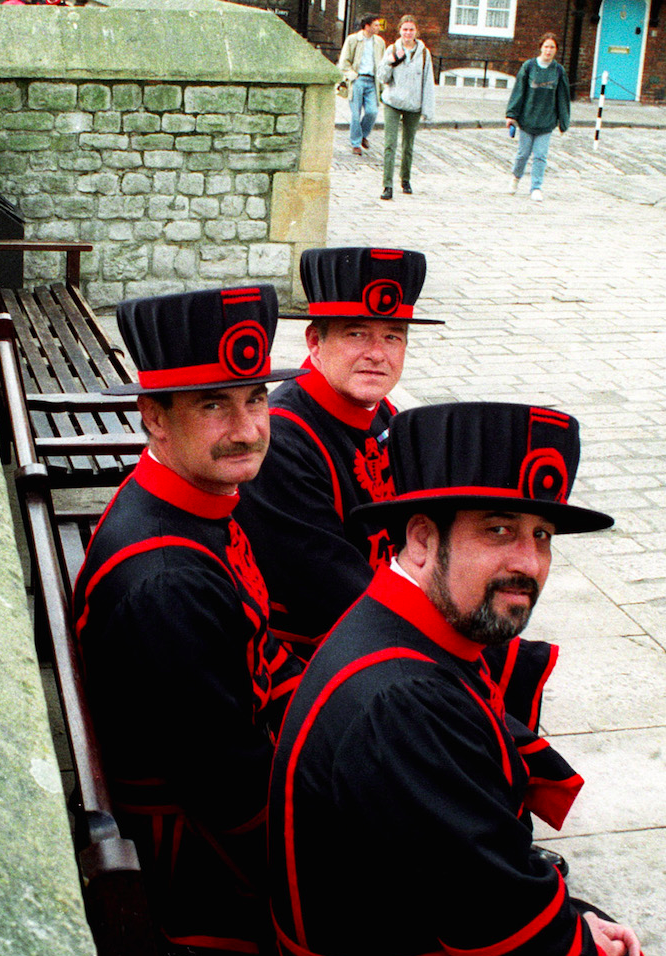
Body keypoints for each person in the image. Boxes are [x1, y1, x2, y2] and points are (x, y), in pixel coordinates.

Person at [268, 402, 643, 956]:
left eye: (542, 535)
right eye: (499, 530)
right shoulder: (403, 701)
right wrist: (582, 940)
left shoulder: (401, 626)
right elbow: (497, 925)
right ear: (420, 539)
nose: (529, 563)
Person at [73, 285, 305, 954]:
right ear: (154, 415)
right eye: (213, 405)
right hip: (202, 875)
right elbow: (233, 797)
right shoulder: (166, 584)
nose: (246, 428)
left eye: (255, 398)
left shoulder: (190, 503)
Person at [236, 246, 435, 656]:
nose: (377, 354)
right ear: (315, 342)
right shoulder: (284, 439)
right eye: (356, 333)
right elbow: (331, 591)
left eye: (392, 336)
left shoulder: (382, 413)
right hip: (325, 652)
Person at [507, 32, 571, 202]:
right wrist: (511, 115)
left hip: (546, 121)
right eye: (546, 46)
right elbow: (519, 91)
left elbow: (562, 98)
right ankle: (515, 178)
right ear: (541, 47)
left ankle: (536, 187)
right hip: (527, 119)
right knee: (523, 154)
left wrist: (563, 122)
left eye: (552, 47)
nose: (549, 50)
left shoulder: (558, 71)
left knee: (540, 155)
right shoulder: (528, 67)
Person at [376, 14, 435, 200]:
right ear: (399, 30)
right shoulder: (392, 48)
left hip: (413, 104)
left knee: (408, 144)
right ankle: (387, 185)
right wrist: (391, 61)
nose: (408, 33)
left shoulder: (424, 53)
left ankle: (406, 178)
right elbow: (382, 77)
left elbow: (428, 82)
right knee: (390, 144)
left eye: (411, 29)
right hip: (393, 101)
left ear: (416, 31)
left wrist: (428, 109)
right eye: (404, 29)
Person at [337, 14, 385, 156]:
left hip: (372, 81)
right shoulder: (353, 40)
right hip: (357, 80)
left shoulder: (380, 42)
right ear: (367, 26)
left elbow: (382, 63)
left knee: (372, 111)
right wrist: (352, 75)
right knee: (355, 114)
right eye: (375, 25)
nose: (378, 27)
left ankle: (363, 134)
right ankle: (356, 143)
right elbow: (344, 61)